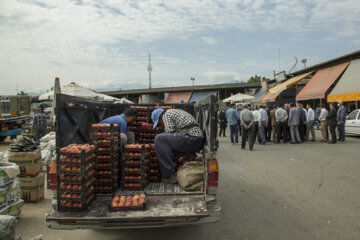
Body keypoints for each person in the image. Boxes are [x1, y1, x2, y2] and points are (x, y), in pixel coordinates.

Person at [151, 108, 204, 183]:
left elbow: (169, 133)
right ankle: (187, 156)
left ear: (160, 117)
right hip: (194, 139)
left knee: (159, 139)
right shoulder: (172, 112)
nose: (161, 126)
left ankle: (169, 175)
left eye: (159, 124)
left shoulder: (166, 115)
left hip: (192, 138)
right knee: (164, 143)